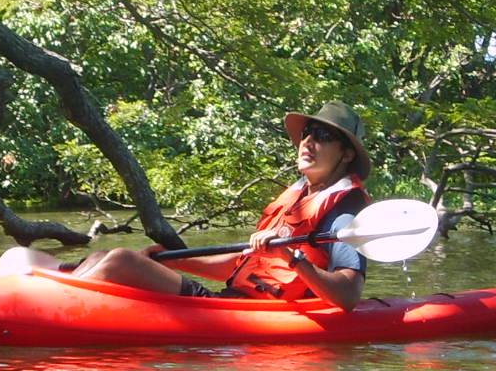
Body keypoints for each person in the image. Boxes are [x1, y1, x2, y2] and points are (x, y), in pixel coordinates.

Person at [65, 101, 373, 311]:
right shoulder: (297, 198)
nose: (307, 141)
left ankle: (55, 306)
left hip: (257, 313)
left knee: (121, 261)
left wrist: (292, 258)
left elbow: (347, 296)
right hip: (232, 301)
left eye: (322, 135)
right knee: (103, 255)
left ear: (346, 155)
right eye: (307, 133)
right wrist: (176, 261)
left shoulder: (342, 213)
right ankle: (55, 296)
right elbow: (241, 265)